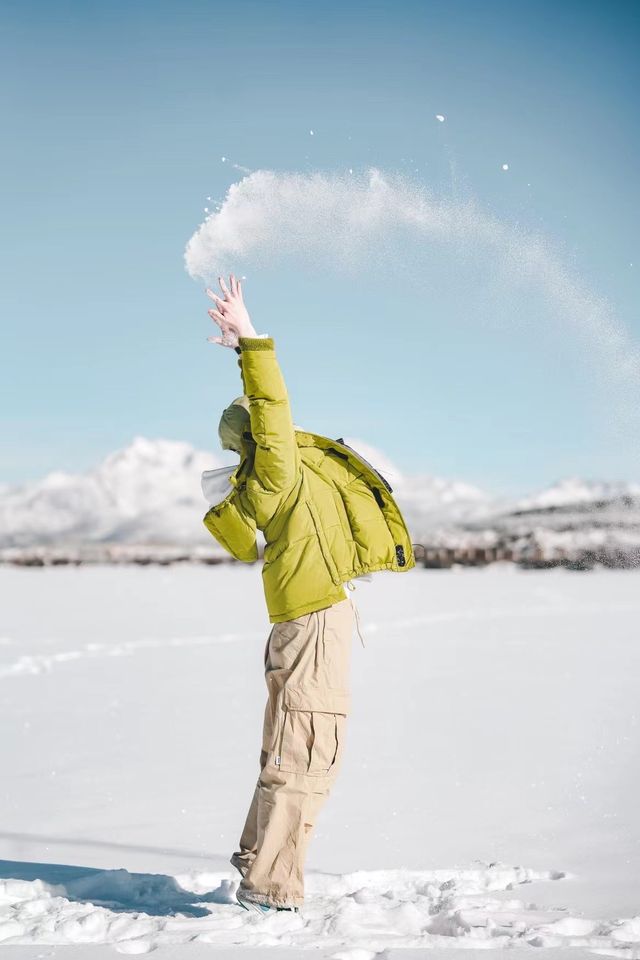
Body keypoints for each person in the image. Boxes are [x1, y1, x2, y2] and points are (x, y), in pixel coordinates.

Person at [202, 274, 415, 915]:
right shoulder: (276, 468)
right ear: (260, 444)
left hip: (305, 622)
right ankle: (270, 889)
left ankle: (256, 867)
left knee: (289, 746)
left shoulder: (277, 478)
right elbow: (271, 412)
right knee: (307, 752)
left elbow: (264, 421)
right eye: (271, 434)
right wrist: (250, 342)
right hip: (313, 626)